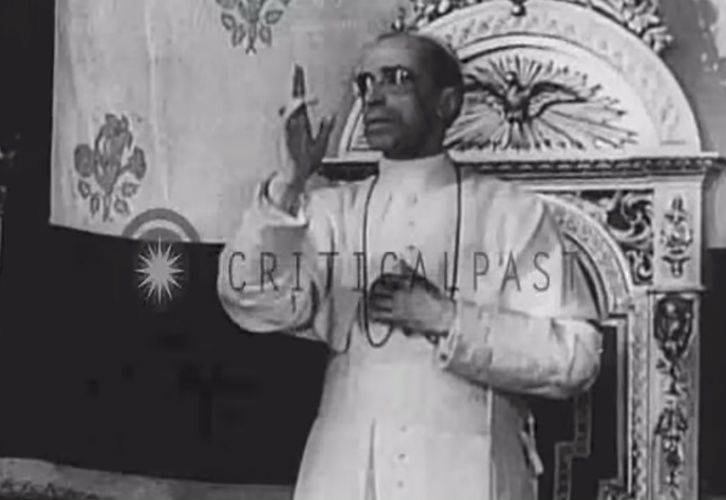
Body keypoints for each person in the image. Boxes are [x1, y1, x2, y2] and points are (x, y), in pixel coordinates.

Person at [217, 31, 602, 500]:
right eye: (365, 82)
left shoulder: (513, 214)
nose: (374, 96)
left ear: (446, 103)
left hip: (471, 479)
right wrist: (289, 182)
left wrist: (447, 319)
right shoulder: (330, 212)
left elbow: (576, 358)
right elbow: (247, 298)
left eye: (396, 78)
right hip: (348, 479)